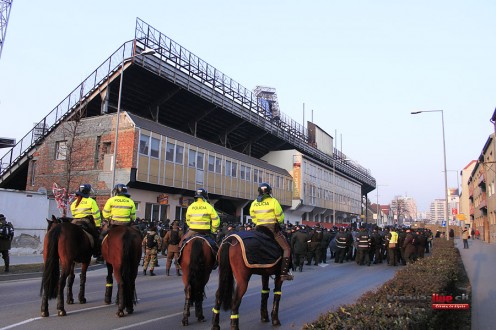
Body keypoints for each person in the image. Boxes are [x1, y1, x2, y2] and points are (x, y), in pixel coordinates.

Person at [250, 182, 293, 281]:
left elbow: (253, 217)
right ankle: (284, 273)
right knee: (286, 249)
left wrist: (258, 223)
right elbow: (280, 215)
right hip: (271, 228)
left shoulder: (254, 203)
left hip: (258, 228)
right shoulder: (273, 201)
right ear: (269, 191)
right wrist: (280, 222)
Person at [70, 184, 102, 261]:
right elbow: (96, 214)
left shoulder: (74, 202)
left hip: (74, 221)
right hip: (86, 221)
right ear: (88, 192)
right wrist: (97, 225)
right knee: (96, 236)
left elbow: (73, 213)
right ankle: (97, 253)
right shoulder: (91, 201)